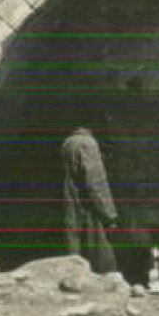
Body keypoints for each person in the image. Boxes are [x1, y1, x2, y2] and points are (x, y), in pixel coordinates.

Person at [61, 113, 120, 274]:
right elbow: (95, 183)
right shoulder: (88, 144)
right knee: (103, 267)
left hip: (71, 208)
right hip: (89, 212)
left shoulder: (68, 142)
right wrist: (109, 215)